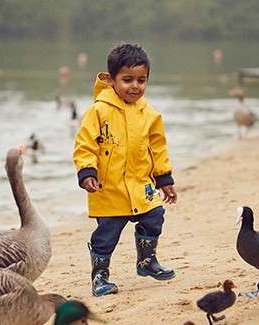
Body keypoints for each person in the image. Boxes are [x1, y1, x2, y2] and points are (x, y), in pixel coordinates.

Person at [73, 43, 178, 297]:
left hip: (141, 185)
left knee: (155, 216)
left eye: (141, 80)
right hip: (109, 189)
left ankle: (146, 261)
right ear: (111, 80)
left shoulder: (150, 114)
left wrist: (164, 178)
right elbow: (84, 145)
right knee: (106, 235)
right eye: (127, 79)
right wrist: (87, 172)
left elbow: (158, 148)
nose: (135, 86)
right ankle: (100, 277)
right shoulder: (98, 111)